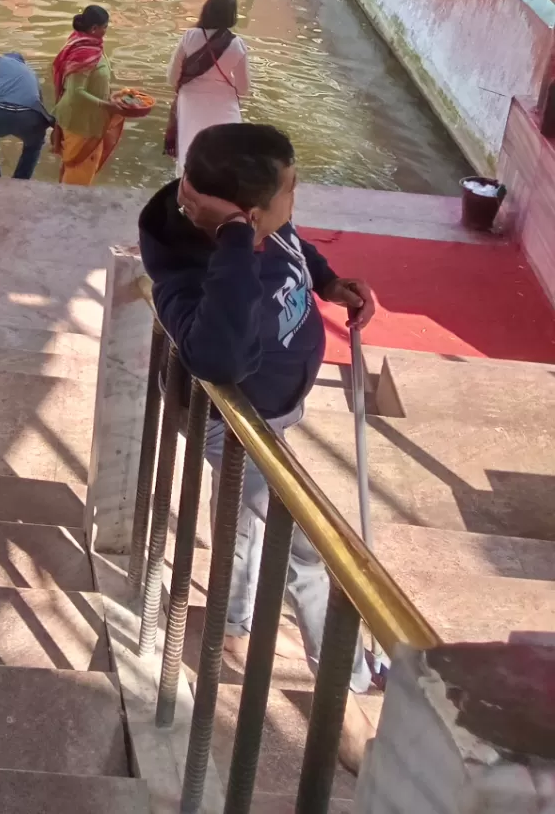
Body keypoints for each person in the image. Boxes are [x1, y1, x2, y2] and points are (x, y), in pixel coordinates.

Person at [137, 122, 379, 772]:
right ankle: (342, 699)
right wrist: (238, 242)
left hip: (277, 410)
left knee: (245, 523)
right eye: (288, 192)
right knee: (307, 553)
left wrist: (327, 284)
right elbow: (216, 355)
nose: (295, 203)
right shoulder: (193, 274)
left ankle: (234, 625)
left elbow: (294, 247)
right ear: (241, 220)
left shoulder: (260, 230)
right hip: (241, 426)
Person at [164, 0, 250, 168]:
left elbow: (172, 78)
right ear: (232, 15)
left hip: (190, 106)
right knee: (227, 163)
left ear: (207, 9)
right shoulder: (237, 45)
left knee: (190, 161)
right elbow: (243, 89)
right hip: (226, 110)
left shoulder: (190, 37)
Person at [51, 5, 126, 186]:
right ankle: (70, 208)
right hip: (81, 122)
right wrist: (105, 105)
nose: (106, 30)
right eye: (105, 27)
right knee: (78, 173)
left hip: (89, 117)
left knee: (78, 170)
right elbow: (76, 92)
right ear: (94, 29)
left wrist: (109, 96)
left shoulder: (88, 44)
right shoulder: (82, 52)